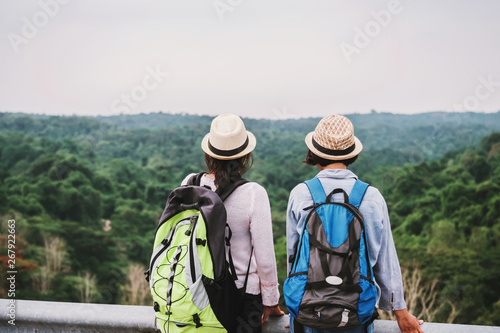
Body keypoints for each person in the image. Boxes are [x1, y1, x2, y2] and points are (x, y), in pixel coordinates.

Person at [286, 115, 424, 333]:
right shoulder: (372, 197)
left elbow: (294, 257)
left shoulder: (301, 193)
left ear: (315, 153)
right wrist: (401, 312)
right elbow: (385, 260)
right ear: (352, 154)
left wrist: (297, 308)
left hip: (310, 309)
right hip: (356, 310)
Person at [182, 113, 284, 333]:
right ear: (245, 156)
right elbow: (265, 259)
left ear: (209, 154)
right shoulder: (254, 193)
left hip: (195, 290)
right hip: (241, 298)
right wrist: (271, 300)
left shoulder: (190, 184)